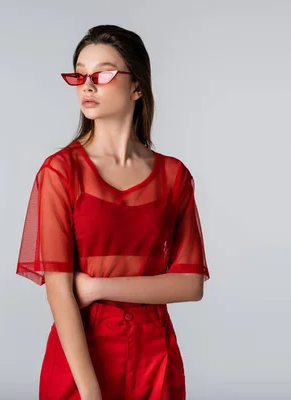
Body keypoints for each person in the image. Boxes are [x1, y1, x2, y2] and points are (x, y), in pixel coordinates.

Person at [15, 24, 210, 400]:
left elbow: (190, 284)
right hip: (81, 360)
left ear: (137, 86)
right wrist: (90, 392)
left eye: (102, 74)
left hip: (156, 357)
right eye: (80, 74)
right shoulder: (61, 171)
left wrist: (97, 286)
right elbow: (59, 290)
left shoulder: (173, 176)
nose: (87, 85)